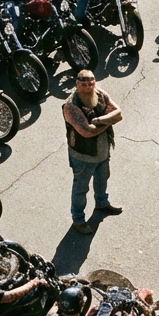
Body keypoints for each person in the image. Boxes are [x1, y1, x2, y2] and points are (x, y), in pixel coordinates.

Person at [62, 71, 123, 235]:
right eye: (84, 83)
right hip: (83, 156)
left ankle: (102, 203)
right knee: (80, 188)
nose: (88, 86)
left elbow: (118, 113)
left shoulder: (100, 94)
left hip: (103, 151)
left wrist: (101, 120)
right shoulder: (71, 106)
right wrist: (109, 122)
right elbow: (87, 132)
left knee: (102, 178)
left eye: (91, 83)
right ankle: (78, 219)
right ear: (77, 84)